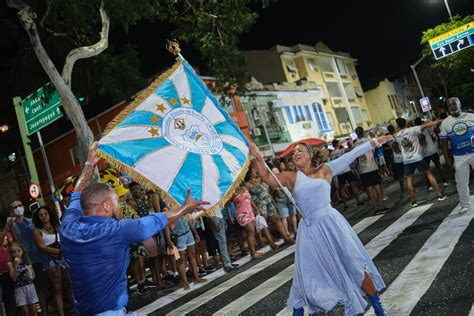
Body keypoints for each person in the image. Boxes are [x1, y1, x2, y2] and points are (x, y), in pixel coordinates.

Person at [249, 135, 392, 316]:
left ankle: (380, 310)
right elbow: (266, 177)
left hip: (332, 225)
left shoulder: (326, 170)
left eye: (300, 150)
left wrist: (374, 142)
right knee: (306, 275)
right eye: (293, 153)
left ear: (310, 154)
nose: (296, 154)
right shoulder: (291, 177)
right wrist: (258, 157)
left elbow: (352, 155)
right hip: (309, 230)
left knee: (355, 265)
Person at [59, 142, 208, 315]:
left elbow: (77, 193)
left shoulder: (67, 228)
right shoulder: (118, 230)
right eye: (116, 201)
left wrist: (90, 163)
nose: (120, 205)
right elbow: (159, 220)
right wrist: (185, 208)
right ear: (106, 206)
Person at [395, 118, 447, 207]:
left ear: (398, 125)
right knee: (429, 174)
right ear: (406, 123)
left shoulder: (397, 135)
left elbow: (400, 146)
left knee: (409, 180)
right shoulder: (412, 130)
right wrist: (439, 121)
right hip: (418, 157)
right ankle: (439, 194)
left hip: (407, 160)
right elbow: (426, 125)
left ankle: (413, 201)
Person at [9, 201, 49, 316]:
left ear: (24, 206)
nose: (18, 208)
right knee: (29, 292)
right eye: (15, 207)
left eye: (20, 205)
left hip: (37, 258)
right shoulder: (13, 226)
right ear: (12, 211)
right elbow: (16, 243)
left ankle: (44, 313)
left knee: (41, 289)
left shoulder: (32, 221)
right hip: (24, 262)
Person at [32, 206, 70, 316]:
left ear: (49, 214)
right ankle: (61, 313)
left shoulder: (57, 226)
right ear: (38, 218)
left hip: (63, 259)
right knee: (57, 288)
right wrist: (59, 251)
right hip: (49, 261)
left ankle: (75, 309)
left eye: (45, 213)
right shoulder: (37, 231)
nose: (44, 216)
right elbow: (41, 247)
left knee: (68, 285)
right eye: (41, 215)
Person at [440, 97, 474, 214]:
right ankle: (465, 204)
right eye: (449, 105)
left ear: (459, 104)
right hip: (459, 156)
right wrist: (446, 156)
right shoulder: (445, 123)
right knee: (461, 182)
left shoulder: (471, 117)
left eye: (454, 104)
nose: (452, 107)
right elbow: (443, 141)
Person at [354, 127, 388, 215]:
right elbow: (377, 145)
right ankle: (382, 207)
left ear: (356, 134)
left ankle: (376, 208)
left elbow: (355, 158)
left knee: (369, 189)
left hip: (363, 169)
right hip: (372, 167)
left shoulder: (355, 144)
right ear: (363, 132)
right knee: (377, 187)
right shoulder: (369, 140)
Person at [414, 117, 450, 190]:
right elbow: (434, 129)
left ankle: (429, 185)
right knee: (439, 166)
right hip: (432, 150)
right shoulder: (427, 128)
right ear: (421, 122)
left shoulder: (414, 131)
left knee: (426, 170)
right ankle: (445, 181)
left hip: (423, 153)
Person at [330, 140, 363, 210]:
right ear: (337, 144)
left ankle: (345, 204)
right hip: (346, 169)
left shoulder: (331, 154)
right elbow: (350, 150)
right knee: (353, 185)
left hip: (339, 172)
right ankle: (358, 200)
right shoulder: (342, 150)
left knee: (341, 189)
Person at [8, 242, 39, 316]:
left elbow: (33, 275)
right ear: (11, 254)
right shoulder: (10, 264)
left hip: (29, 286)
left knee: (34, 310)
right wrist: (16, 265)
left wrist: (30, 274)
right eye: (14, 252)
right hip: (19, 289)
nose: (17, 253)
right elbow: (14, 278)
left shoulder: (27, 261)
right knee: (25, 312)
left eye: (18, 251)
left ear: (22, 251)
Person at [388, 125, 405, 194]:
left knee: (400, 176)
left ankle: (402, 190)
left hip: (396, 159)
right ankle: (410, 187)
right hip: (403, 157)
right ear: (394, 129)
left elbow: (390, 147)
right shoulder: (398, 135)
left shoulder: (389, 139)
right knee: (408, 174)